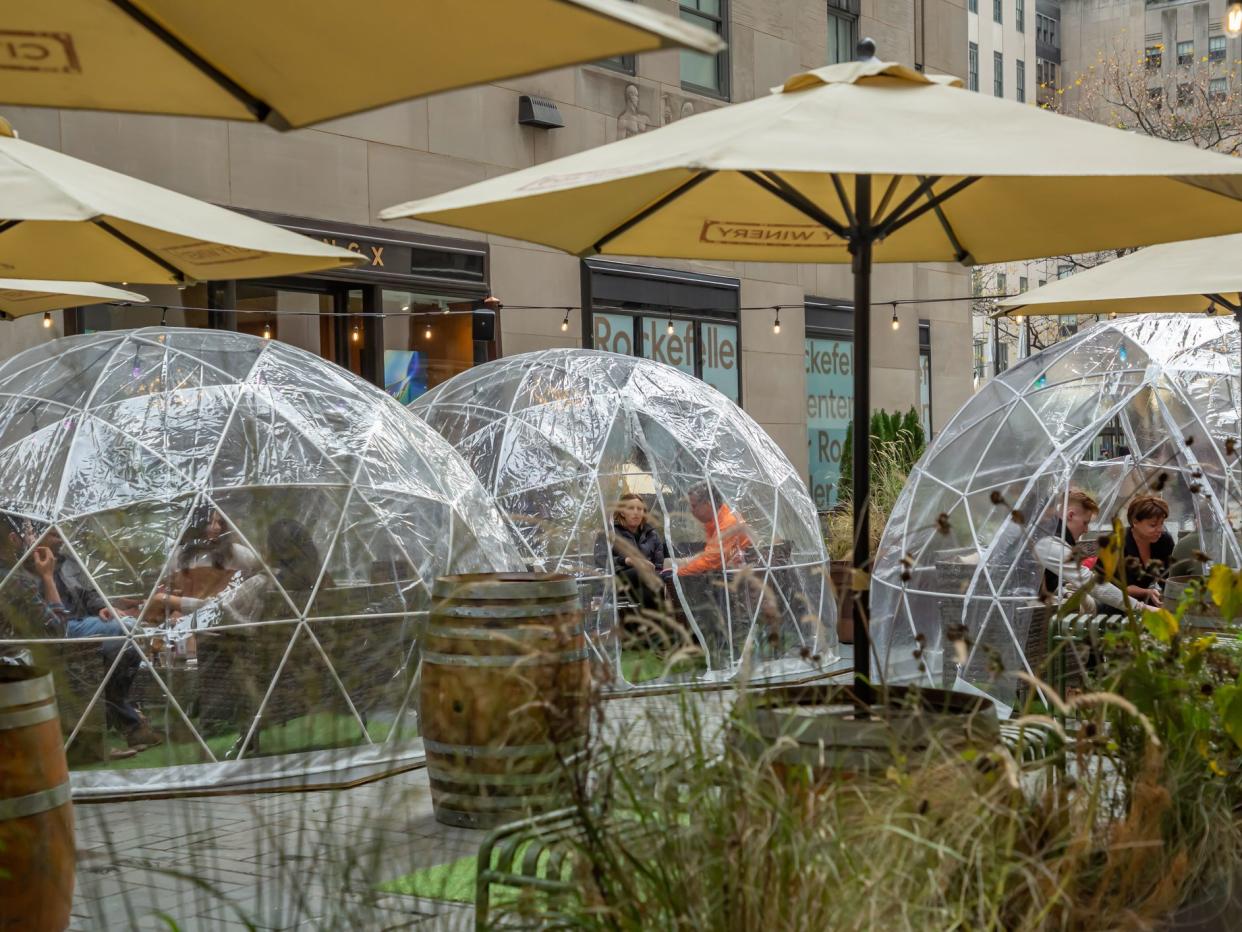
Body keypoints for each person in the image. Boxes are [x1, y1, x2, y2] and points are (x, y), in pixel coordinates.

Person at [4, 518, 162, 751]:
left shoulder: (68, 562)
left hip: (81, 622)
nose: (61, 539)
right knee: (123, 633)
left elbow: (88, 593)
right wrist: (43, 574)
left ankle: (117, 714)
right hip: (58, 628)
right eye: (55, 534)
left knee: (124, 640)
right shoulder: (20, 569)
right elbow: (51, 625)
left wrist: (101, 606)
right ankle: (127, 721)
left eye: (61, 534)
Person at [1033, 489, 1126, 614]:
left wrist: (1064, 591)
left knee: (1092, 606)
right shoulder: (1049, 543)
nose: (1086, 530)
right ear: (1070, 516)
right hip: (1028, 609)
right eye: (1085, 523)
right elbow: (1090, 581)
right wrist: (1140, 607)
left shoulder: (1055, 534)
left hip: (1043, 601)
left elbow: (1046, 578)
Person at [594, 493, 668, 615]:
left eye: (640, 509)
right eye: (631, 508)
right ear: (622, 512)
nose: (636, 512)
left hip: (647, 582)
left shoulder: (652, 534)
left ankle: (649, 628)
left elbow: (659, 564)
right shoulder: (609, 532)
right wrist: (627, 560)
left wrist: (655, 569)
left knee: (650, 592)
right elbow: (601, 560)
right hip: (617, 579)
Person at [674, 483, 752, 578]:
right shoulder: (715, 521)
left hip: (740, 578)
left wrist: (676, 575)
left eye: (694, 506)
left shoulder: (727, 523)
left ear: (708, 504)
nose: (691, 510)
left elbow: (710, 562)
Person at [1114, 494, 1174, 609]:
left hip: (1147, 602)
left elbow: (1168, 577)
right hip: (1117, 602)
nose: (1160, 529)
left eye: (1162, 523)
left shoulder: (1164, 541)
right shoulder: (1118, 543)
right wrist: (1147, 592)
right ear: (1135, 521)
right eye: (1153, 525)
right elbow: (1117, 587)